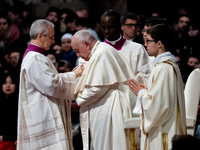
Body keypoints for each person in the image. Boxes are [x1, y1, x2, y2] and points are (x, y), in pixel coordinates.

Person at [17, 19, 84, 150]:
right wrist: (73, 75)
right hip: (43, 118)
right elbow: (51, 85)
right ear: (40, 35)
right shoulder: (34, 58)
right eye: (51, 37)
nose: (53, 41)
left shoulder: (36, 56)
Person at [71, 30, 136, 150]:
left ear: (86, 44)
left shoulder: (101, 53)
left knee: (109, 144)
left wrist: (78, 99)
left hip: (112, 107)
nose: (77, 55)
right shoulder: (100, 51)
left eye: (77, 50)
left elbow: (96, 89)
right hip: (108, 105)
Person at [128, 24, 187, 150]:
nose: (145, 45)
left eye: (148, 41)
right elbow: (162, 97)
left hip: (164, 130)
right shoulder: (164, 65)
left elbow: (160, 106)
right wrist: (148, 90)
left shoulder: (165, 68)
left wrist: (141, 93)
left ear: (159, 44)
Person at [100, 9, 152, 85]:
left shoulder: (137, 49)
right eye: (103, 28)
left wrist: (125, 86)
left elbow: (146, 75)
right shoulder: (96, 50)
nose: (107, 31)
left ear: (119, 26)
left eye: (110, 27)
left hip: (129, 94)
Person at [0, 73, 19, 150]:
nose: (8, 86)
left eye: (11, 83)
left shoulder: (19, 104)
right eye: (5, 83)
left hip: (15, 141)